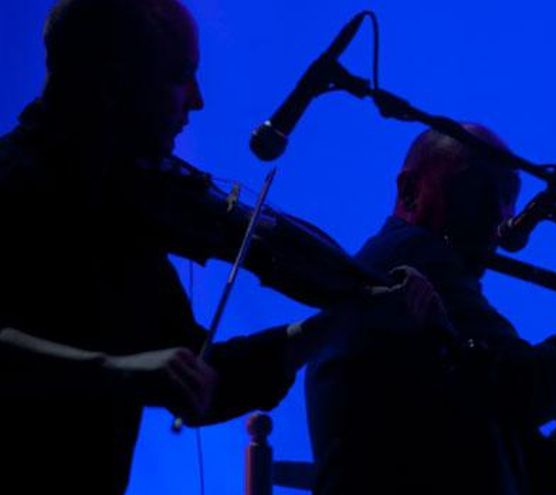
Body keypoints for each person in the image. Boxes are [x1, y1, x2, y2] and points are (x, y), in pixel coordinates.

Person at [0, 0, 443, 492]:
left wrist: (337, 321)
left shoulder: (124, 211)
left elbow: (203, 381)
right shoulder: (13, 184)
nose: (197, 101)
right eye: (180, 76)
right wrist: (113, 370)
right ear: (112, 80)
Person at [305, 124, 556, 494]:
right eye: (479, 190)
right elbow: (525, 387)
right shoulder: (406, 260)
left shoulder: (453, 334)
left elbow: (545, 472)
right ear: (411, 191)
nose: (499, 217)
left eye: (508, 199)